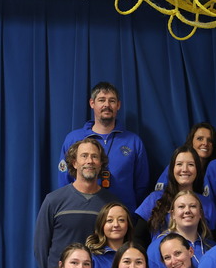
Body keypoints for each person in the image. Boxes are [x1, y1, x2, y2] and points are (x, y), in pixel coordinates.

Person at [58, 82, 149, 212]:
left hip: (122, 219)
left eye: (112, 101)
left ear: (118, 105)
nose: (107, 105)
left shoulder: (133, 142)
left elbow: (141, 186)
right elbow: (64, 181)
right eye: (101, 100)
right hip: (83, 213)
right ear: (92, 103)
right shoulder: (73, 139)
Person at [35, 137, 117, 268]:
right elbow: (40, 247)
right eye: (84, 156)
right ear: (74, 163)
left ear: (101, 164)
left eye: (95, 157)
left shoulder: (112, 205)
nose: (89, 161)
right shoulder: (53, 200)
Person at [136, 146, 216, 236]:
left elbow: (211, 240)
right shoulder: (154, 199)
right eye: (179, 164)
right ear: (172, 169)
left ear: (197, 170)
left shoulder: (207, 204)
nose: (185, 169)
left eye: (191, 164)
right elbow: (138, 238)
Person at [144, 190, 216, 268]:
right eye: (181, 207)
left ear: (200, 213)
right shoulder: (158, 246)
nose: (187, 211)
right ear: (173, 214)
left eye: (193, 206)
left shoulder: (212, 247)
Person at [154, 122, 216, 188]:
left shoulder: (215, 170)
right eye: (200, 139)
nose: (205, 143)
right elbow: (159, 194)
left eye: (210, 140)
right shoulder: (176, 167)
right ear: (191, 141)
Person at [86, 202, 132, 268]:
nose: (116, 225)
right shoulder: (92, 258)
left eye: (121, 220)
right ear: (101, 225)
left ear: (128, 224)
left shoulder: (137, 255)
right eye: (109, 220)